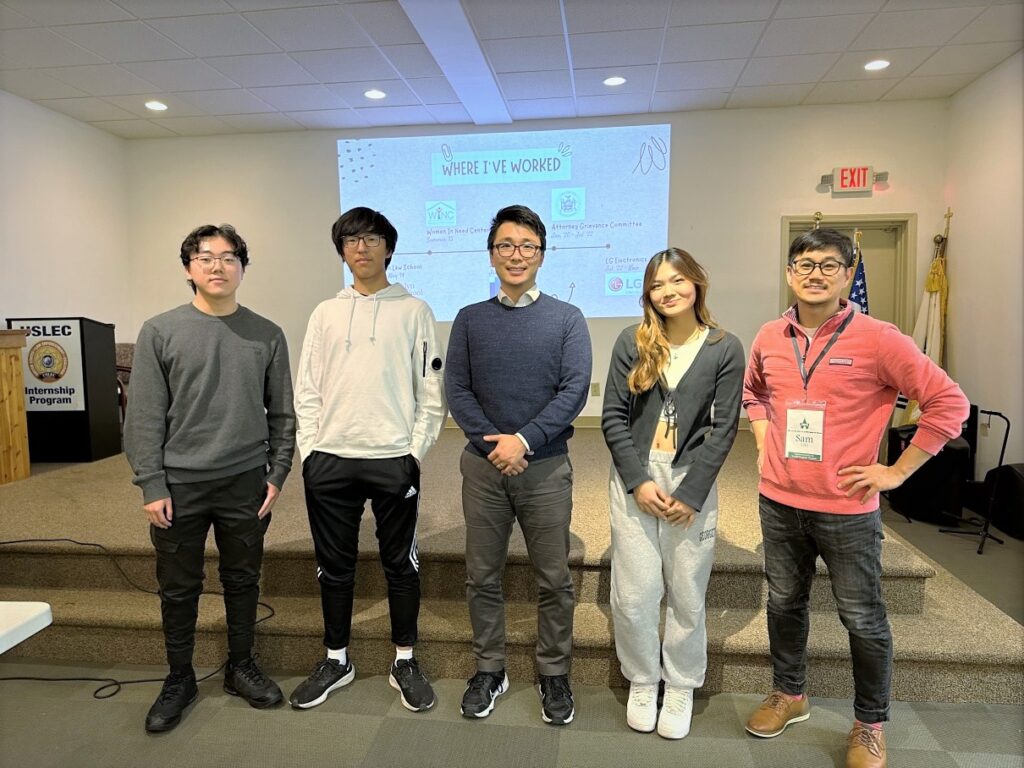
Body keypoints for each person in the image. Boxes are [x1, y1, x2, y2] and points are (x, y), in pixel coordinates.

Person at [742, 228, 969, 768]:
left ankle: (869, 723)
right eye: (804, 264)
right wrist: (763, 441)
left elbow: (948, 404)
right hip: (779, 501)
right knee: (783, 603)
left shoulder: (880, 338)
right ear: (789, 273)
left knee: (862, 618)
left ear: (848, 275)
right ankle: (789, 693)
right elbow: (754, 393)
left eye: (828, 265)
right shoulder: (769, 335)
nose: (815, 274)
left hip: (847, 509)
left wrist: (897, 472)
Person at [124, 224, 295, 733]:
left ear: (242, 267)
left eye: (228, 257)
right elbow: (143, 418)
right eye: (205, 257)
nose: (217, 266)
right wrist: (152, 483)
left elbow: (282, 413)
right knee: (179, 587)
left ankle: (241, 666)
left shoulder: (267, 333)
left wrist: (278, 473)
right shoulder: (160, 331)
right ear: (188, 268)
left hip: (245, 480)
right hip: (179, 486)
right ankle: (179, 678)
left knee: (243, 579)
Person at [290, 207, 446, 714]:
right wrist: (310, 452)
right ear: (341, 250)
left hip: (392, 459)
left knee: (400, 563)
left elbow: (432, 390)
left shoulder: (415, 311)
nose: (361, 247)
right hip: (330, 462)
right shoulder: (324, 314)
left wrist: (413, 454)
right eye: (351, 239)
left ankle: (405, 660)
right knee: (333, 567)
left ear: (388, 248)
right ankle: (336, 659)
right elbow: (307, 389)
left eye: (372, 238)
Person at [445, 204, 592, 725]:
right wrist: (496, 446)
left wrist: (523, 441)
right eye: (505, 245)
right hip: (483, 468)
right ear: (491, 254)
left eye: (527, 246)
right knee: (481, 576)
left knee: (553, 579)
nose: (516, 254)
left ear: (542, 255)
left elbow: (574, 391)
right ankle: (490, 668)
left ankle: (553, 672)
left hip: (545, 468)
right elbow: (457, 389)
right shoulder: (469, 319)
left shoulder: (567, 318)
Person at [601, 248, 744, 739]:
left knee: (686, 592)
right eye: (658, 284)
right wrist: (637, 482)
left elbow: (725, 428)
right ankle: (643, 679)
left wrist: (694, 493)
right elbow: (612, 418)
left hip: (690, 481)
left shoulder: (724, 346)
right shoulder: (632, 340)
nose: (669, 291)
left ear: (697, 283)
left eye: (678, 280)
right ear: (648, 293)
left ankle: (680, 683)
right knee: (634, 593)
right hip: (636, 480)